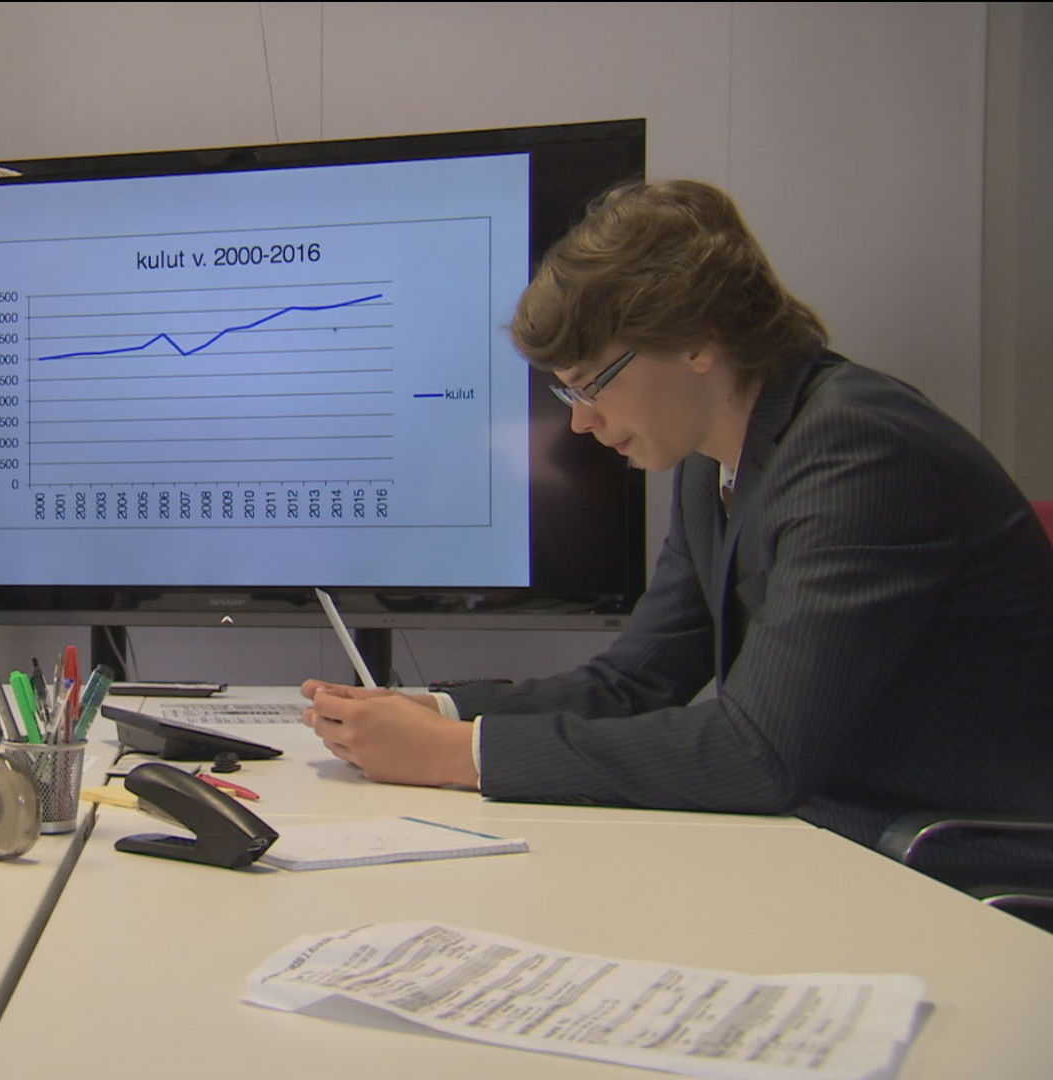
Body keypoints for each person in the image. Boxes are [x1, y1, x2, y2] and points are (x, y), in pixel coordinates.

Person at [304, 179, 1053, 851]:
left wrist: (457, 754)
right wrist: (433, 711)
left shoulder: (860, 449)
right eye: (568, 392)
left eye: (592, 383)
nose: (581, 422)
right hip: (836, 831)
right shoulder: (712, 461)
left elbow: (759, 754)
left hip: (946, 853)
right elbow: (634, 682)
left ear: (698, 340)